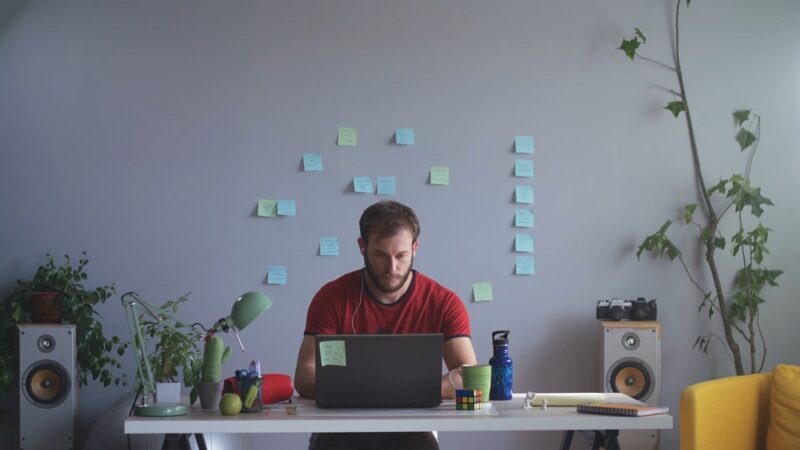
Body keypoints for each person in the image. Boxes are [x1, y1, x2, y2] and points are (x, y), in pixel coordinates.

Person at [294, 200, 477, 450]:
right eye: (380, 255)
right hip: (340, 429)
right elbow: (305, 377)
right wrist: (399, 389)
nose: (392, 268)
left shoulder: (444, 302)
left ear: (415, 248)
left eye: (401, 255)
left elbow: (469, 378)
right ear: (362, 247)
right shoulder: (331, 298)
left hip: (411, 431)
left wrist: (388, 389)